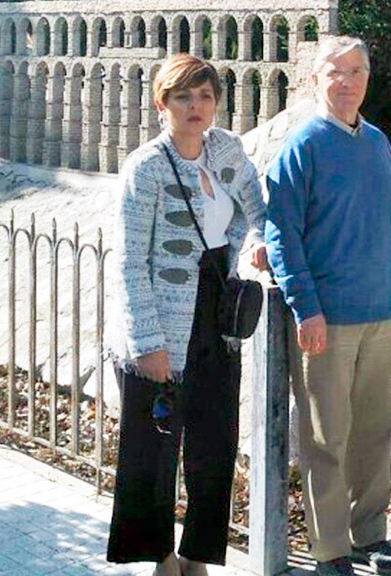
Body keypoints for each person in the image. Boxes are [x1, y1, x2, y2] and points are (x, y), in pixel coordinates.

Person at [105, 53, 267, 576]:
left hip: (215, 316)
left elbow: (254, 202)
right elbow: (129, 260)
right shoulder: (146, 167)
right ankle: (161, 557)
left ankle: (198, 554)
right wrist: (147, 342)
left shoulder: (227, 149)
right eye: (182, 96)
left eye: (204, 96)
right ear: (161, 104)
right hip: (162, 319)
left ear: (217, 102)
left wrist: (258, 237)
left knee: (214, 441)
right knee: (154, 447)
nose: (195, 106)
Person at [264, 36, 391, 576]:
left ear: (368, 78)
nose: (347, 81)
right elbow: (280, 234)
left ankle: (371, 536)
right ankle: (330, 551)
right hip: (326, 319)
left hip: (377, 314)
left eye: (356, 71)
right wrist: (306, 308)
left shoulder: (376, 143)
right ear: (316, 80)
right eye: (335, 71)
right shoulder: (302, 146)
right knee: (328, 439)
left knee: (373, 432)